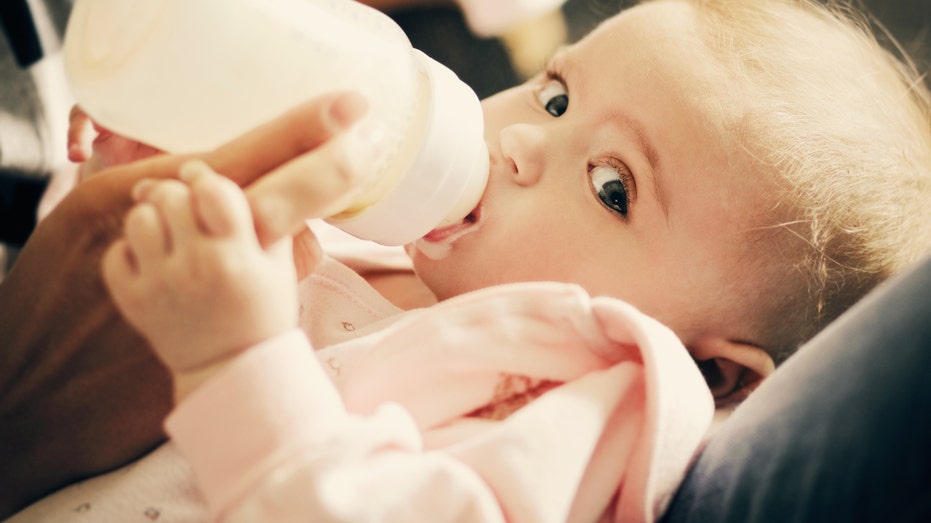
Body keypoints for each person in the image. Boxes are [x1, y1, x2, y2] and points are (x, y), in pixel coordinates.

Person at [3, 0, 931, 520]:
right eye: (557, 93)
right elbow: (85, 330)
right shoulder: (367, 226)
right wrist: (152, 172)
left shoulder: (583, 391)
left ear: (715, 371)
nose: (523, 139)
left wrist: (238, 363)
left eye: (613, 187)